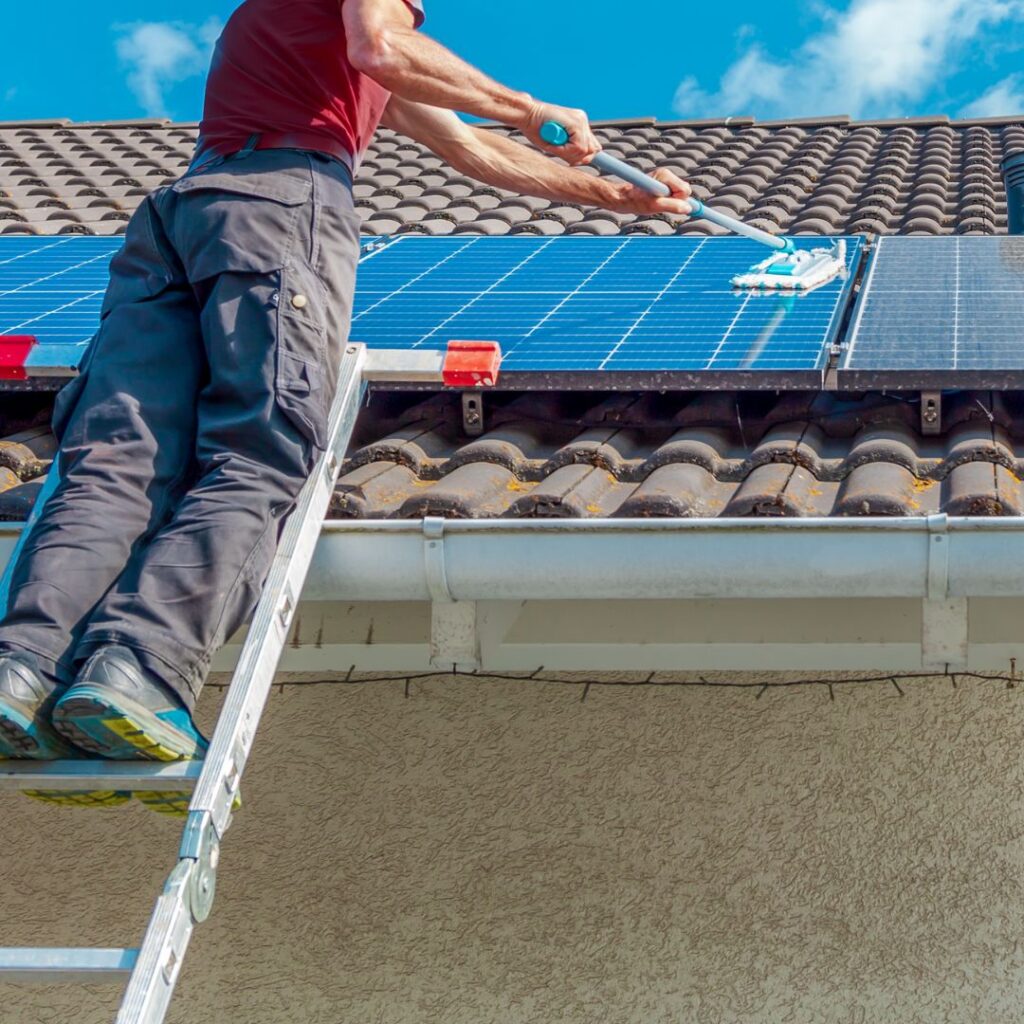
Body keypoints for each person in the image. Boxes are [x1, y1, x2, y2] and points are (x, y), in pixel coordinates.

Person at [0, 0, 692, 811]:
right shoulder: (369, 32)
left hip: (180, 217)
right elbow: (384, 46)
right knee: (258, 454)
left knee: (120, 461)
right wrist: (534, 109)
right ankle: (139, 669)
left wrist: (609, 197)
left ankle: (22, 670)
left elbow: (463, 145)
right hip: (279, 209)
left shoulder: (309, 38)